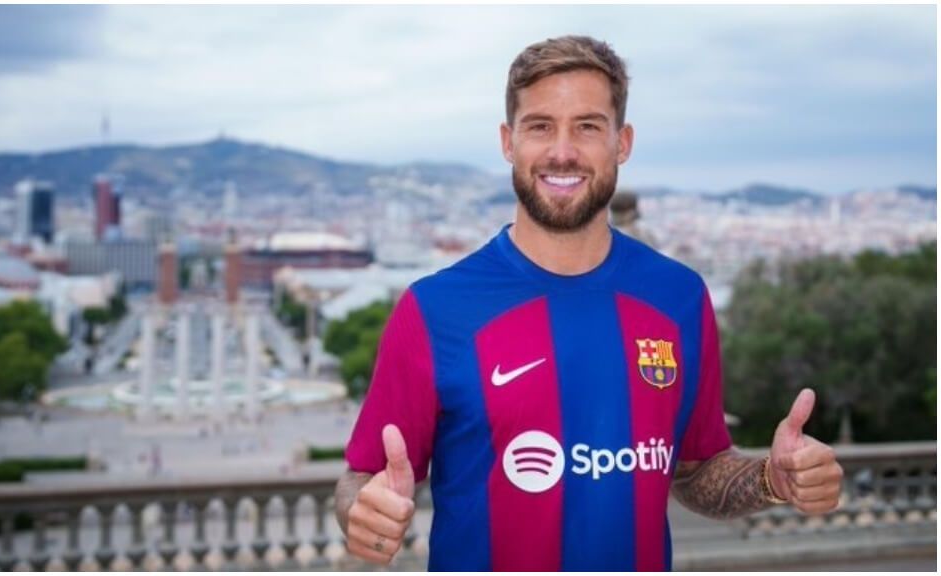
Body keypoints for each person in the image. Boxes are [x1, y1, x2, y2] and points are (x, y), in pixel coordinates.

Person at [334, 35, 843, 571]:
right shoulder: (434, 309)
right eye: (540, 126)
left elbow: (694, 470)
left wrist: (772, 479)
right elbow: (362, 477)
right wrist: (362, 511)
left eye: (587, 126)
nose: (562, 151)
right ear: (509, 142)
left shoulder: (679, 297)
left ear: (621, 142)